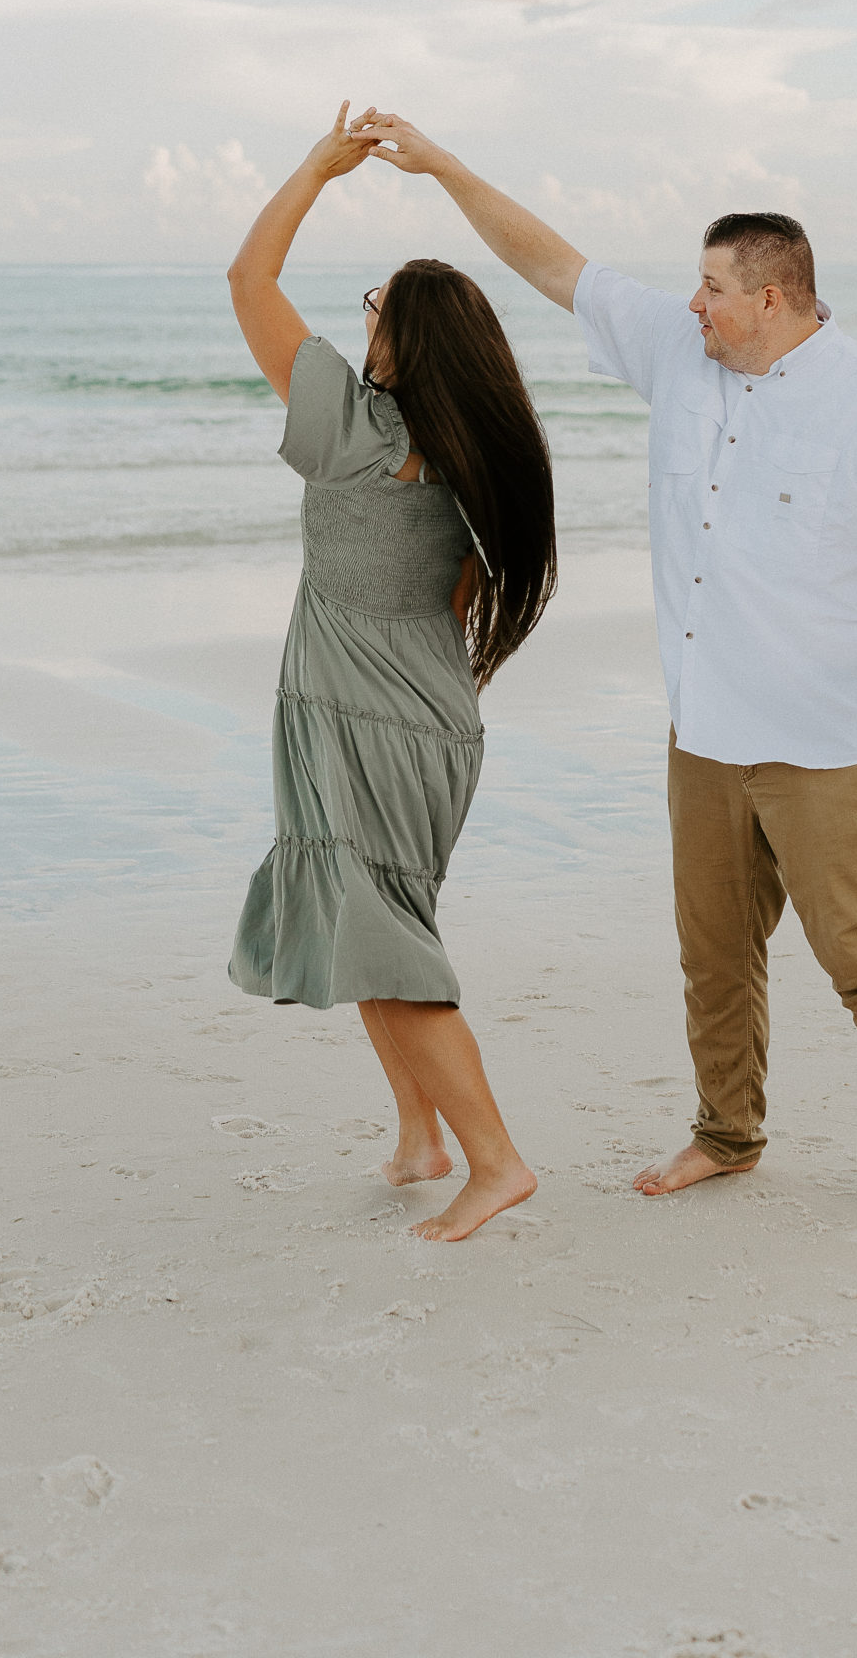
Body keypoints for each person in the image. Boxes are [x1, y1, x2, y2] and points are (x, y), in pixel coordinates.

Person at [351, 112, 857, 1213]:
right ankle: (727, 1133)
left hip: (835, 738)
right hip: (707, 730)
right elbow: (551, 262)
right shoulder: (679, 352)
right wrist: (447, 167)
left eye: (710, 288)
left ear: (773, 300)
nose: (689, 303)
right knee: (714, 954)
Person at [224, 104, 557, 1240]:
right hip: (433, 716)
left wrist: (318, 165)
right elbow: (454, 599)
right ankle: (421, 1135)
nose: (361, 319)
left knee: (387, 944)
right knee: (380, 928)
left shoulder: (350, 429)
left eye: (374, 309)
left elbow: (248, 275)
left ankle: (496, 1160)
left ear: (403, 338)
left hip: (361, 715)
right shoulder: (476, 454)